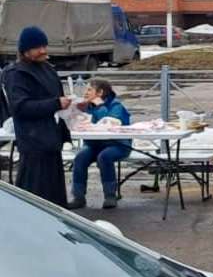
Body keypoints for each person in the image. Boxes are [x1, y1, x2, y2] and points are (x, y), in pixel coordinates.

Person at [2, 27, 72, 206]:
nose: (43, 50)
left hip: (52, 141)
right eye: (37, 47)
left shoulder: (48, 69)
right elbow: (20, 107)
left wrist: (72, 106)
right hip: (33, 143)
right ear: (25, 50)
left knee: (55, 198)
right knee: (34, 198)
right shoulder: (16, 74)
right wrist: (56, 104)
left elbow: (58, 98)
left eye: (44, 46)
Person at [69, 78, 132, 210]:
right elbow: (76, 123)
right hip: (94, 145)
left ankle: (110, 196)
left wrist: (99, 105)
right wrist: (75, 109)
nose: (85, 93)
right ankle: (78, 197)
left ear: (100, 92)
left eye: (89, 89)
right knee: (80, 157)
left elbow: (108, 124)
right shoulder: (87, 106)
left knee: (104, 157)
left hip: (118, 145)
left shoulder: (116, 106)